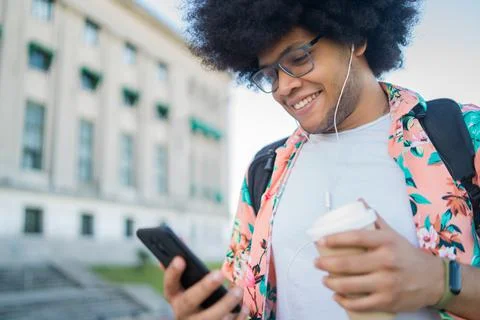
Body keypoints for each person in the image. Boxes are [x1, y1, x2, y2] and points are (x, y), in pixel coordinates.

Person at [161, 1, 480, 319]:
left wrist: (439, 281)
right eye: (270, 74)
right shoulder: (264, 171)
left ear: (355, 39)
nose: (284, 87)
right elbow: (242, 297)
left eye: (299, 58)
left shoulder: (463, 135)